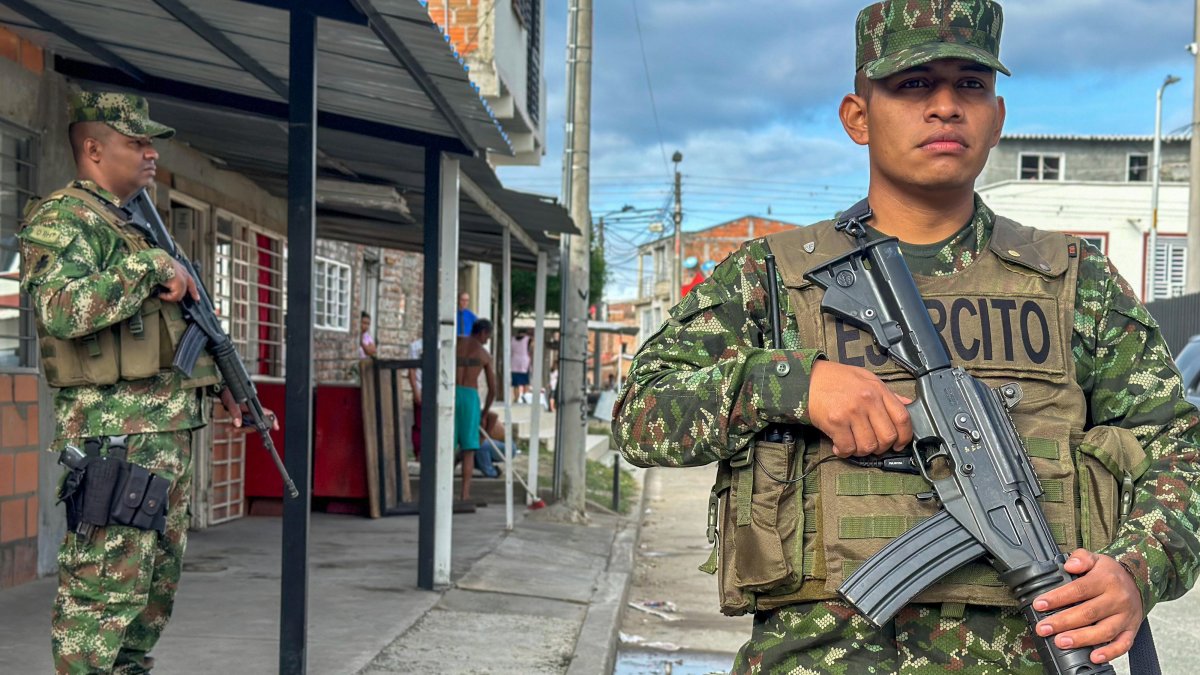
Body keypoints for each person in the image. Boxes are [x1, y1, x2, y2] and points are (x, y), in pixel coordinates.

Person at [612, 2, 1200, 672]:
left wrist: (1134, 570)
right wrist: (793, 384)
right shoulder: (771, 278)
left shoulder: (1074, 281)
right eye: (914, 84)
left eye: (970, 85)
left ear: (998, 116)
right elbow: (639, 412)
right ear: (857, 116)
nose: (946, 106)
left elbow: (1179, 448)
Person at [19, 91, 276, 674]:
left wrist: (223, 386)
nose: (151, 153)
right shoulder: (64, 218)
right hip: (118, 442)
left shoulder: (134, 224)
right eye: (136, 142)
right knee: (102, 597)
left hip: (164, 437)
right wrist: (152, 267)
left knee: (150, 598)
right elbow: (60, 309)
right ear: (92, 148)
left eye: (150, 142)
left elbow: (170, 332)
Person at [455, 318, 496, 501]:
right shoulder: (484, 355)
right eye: (488, 336)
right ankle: (464, 494)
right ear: (483, 333)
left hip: (451, 392)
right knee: (469, 450)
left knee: (446, 446)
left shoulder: (456, 343)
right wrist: (485, 412)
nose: (487, 340)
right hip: (470, 397)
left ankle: (443, 490)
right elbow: (493, 389)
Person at [407, 336, 422, 459]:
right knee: (419, 423)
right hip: (420, 387)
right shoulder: (415, 346)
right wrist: (415, 390)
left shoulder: (441, 345)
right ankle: (419, 452)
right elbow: (411, 370)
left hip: (436, 388)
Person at [510, 328, 532, 402]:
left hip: (514, 362)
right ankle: (525, 398)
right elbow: (531, 348)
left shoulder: (512, 339)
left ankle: (516, 398)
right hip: (524, 362)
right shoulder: (528, 339)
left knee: (515, 383)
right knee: (525, 382)